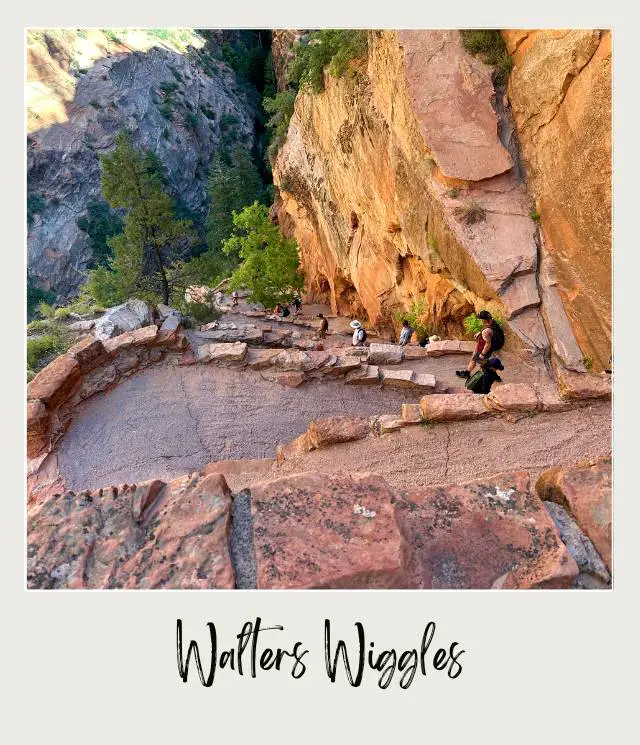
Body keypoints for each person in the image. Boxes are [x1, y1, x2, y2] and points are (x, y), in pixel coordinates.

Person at [456, 310, 503, 379]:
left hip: (483, 349)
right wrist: (480, 333)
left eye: (480, 319)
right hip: (485, 347)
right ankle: (468, 373)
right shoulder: (492, 323)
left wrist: (482, 354)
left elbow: (488, 343)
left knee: (482, 363)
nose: (480, 320)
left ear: (483, 320)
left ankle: (494, 373)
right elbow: (489, 333)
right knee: (477, 360)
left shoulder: (486, 331)